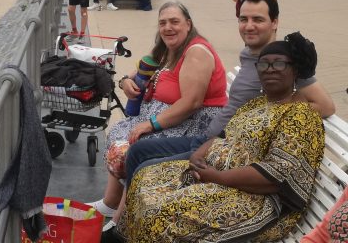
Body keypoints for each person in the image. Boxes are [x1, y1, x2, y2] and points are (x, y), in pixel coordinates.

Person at [119, 33, 325, 243]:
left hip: (256, 201)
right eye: (263, 64)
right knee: (144, 177)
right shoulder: (257, 103)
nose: (270, 69)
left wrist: (216, 177)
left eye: (279, 64)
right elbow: (224, 135)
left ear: (295, 70)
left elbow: (276, 176)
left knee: (158, 214)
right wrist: (198, 156)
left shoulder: (299, 115)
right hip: (215, 176)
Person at [86, 1, 227, 219]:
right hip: (167, 118)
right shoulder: (167, 49)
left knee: (128, 147)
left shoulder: (196, 53)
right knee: (119, 131)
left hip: (191, 124)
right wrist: (125, 81)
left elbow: (192, 102)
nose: (168, 27)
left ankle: (123, 215)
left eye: (174, 22)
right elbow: (139, 71)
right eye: (163, 23)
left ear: (188, 24)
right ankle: (111, 202)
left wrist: (150, 124)